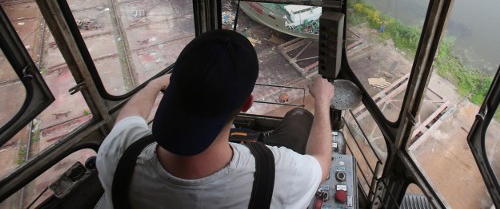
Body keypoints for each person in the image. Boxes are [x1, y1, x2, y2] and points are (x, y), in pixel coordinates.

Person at [95, 29, 335, 208]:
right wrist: (322, 101)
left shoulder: (117, 154)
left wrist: (155, 84)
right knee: (297, 120)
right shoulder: (280, 174)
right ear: (246, 104)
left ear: (173, 88)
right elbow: (322, 165)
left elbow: (129, 117)